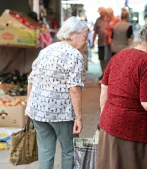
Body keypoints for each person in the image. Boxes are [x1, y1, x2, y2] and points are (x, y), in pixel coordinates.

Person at [96, 19, 147, 169]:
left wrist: (104, 112)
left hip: (109, 126)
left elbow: (104, 87)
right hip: (133, 133)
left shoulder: (120, 55)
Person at [25, 16, 88, 169]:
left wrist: (28, 107)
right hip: (61, 113)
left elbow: (31, 80)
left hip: (38, 110)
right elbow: (74, 89)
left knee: (46, 151)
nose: (86, 41)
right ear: (73, 34)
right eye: (85, 37)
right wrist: (78, 118)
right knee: (69, 151)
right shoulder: (75, 55)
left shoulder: (46, 50)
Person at [92, 7, 108, 81]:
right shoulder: (98, 20)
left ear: (104, 12)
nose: (99, 13)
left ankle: (108, 74)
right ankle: (103, 73)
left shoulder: (109, 19)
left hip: (108, 43)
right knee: (101, 58)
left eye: (100, 12)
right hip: (101, 43)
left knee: (107, 59)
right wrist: (93, 42)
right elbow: (95, 32)